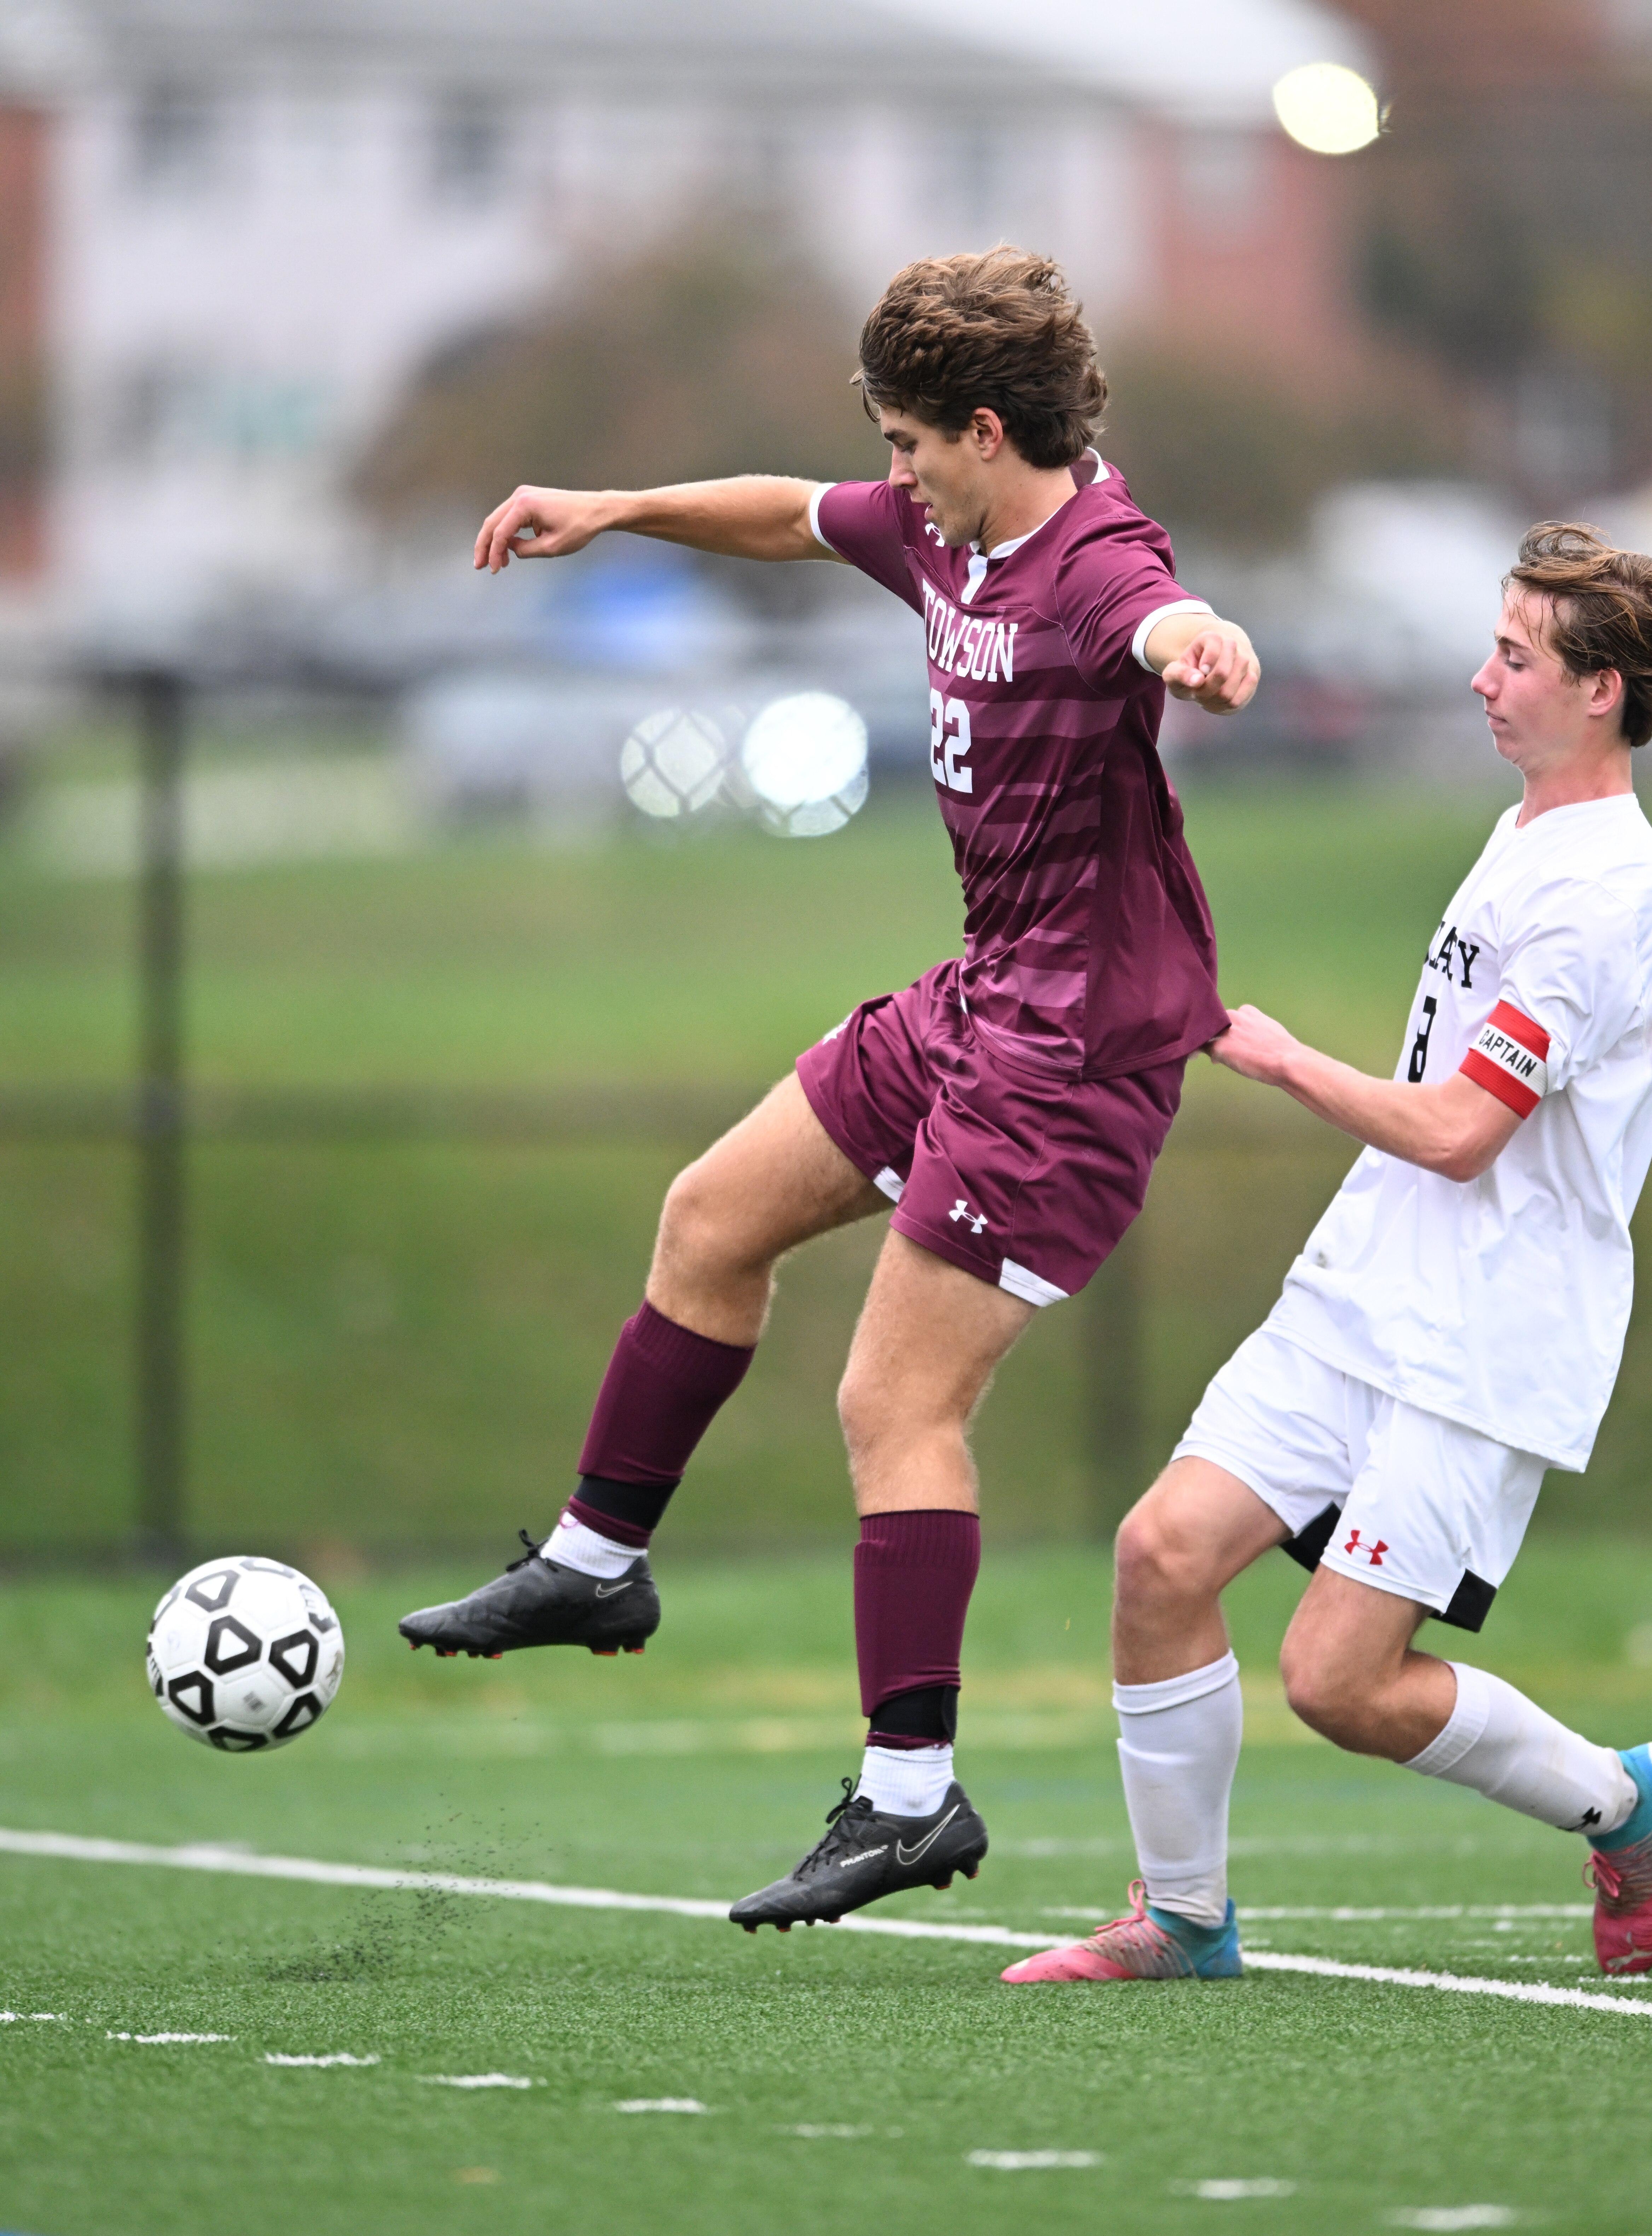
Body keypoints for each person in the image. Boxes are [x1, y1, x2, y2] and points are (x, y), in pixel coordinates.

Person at [398, 246, 1260, 1930]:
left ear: (987, 429)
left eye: (908, 445)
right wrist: (613, 509)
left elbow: (1163, 618)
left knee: (894, 1405)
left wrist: (1201, 646)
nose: (892, 475)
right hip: (983, 995)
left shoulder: (1095, 563)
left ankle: (909, 1798)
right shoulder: (943, 527)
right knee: (711, 1217)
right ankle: (594, 1565)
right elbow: (793, 515)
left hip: (1072, 1055)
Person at [1003, 522, 1652, 1988]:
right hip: (1364, 1289)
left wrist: (1286, 1059)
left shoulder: (1606, 894)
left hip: (1482, 1336)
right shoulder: (1527, 830)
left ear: (1601, 691)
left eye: (1515, 657)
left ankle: (1628, 1807)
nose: (1480, 677)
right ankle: (1183, 1922)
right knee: (1160, 1556)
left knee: (1339, 1682)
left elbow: (1460, 1131)